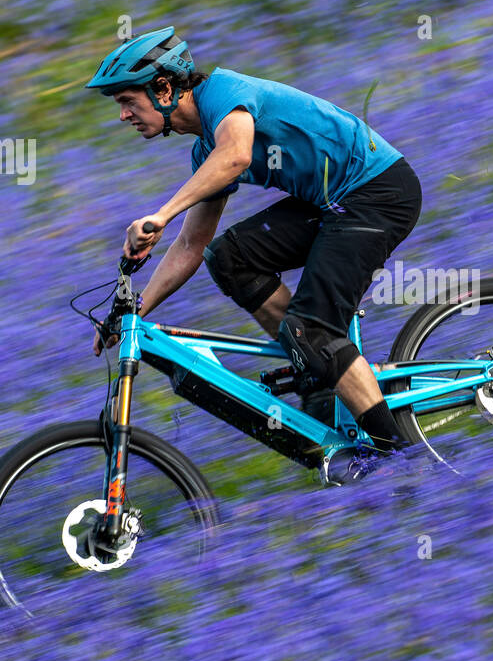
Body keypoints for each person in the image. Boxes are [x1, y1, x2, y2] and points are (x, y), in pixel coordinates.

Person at [87, 26, 420, 465]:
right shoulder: (207, 146)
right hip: (331, 202)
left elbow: (237, 156)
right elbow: (191, 243)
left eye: (129, 102)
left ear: (164, 88)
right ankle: (318, 371)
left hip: (376, 194)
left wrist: (161, 213)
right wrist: (134, 311)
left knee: (313, 330)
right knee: (229, 256)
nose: (124, 116)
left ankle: (399, 457)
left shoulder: (226, 94)